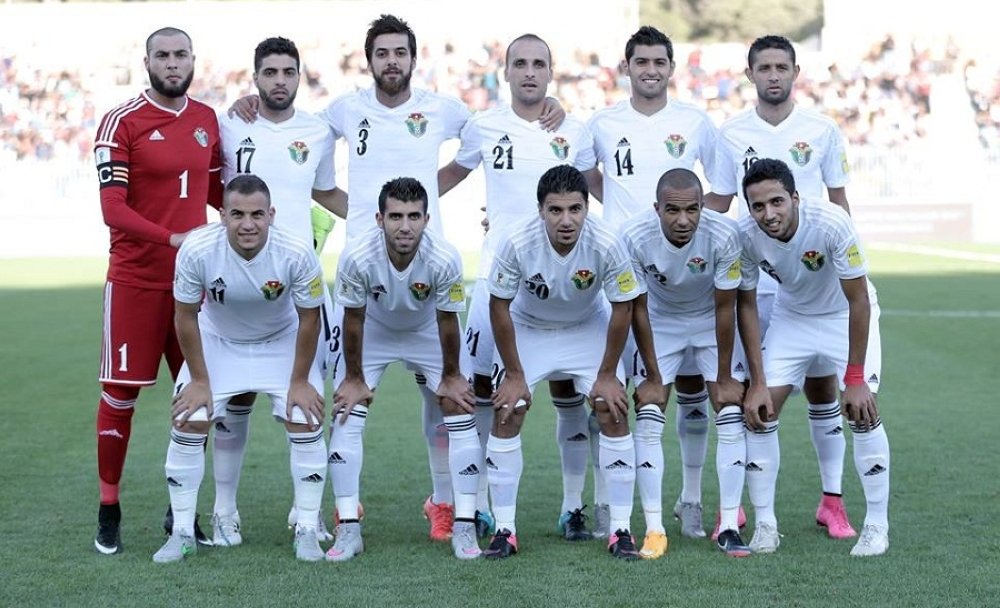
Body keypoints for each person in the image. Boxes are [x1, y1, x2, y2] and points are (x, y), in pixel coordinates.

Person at [229, 15, 564, 542]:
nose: (391, 61)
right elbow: (298, 138)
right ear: (369, 61)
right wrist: (366, 212)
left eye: (399, 52)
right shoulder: (344, 110)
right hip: (363, 280)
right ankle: (344, 510)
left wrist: (550, 106)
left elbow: (493, 134)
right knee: (348, 397)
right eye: (382, 53)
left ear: (413, 59)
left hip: (428, 277)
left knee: (445, 399)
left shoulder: (443, 109)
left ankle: (444, 503)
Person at [707, 35, 870, 539]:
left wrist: (847, 265)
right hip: (756, 282)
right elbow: (719, 202)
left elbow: (839, 201)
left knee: (823, 390)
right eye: (764, 67)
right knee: (750, 395)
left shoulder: (822, 129)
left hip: (812, 283)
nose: (773, 75)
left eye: (782, 66)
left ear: (795, 72)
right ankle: (736, 507)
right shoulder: (731, 133)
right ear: (750, 74)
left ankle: (832, 502)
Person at [437, 33, 598, 541]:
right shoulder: (484, 126)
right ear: (504, 72)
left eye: (539, 64)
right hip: (496, 281)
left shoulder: (575, 130)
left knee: (569, 390)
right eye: (520, 64)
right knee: (484, 392)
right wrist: (393, 206)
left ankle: (573, 507)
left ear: (551, 73)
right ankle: (482, 505)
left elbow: (600, 193)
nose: (530, 72)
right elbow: (446, 176)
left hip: (563, 284)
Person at [585, 25, 725, 540]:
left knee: (689, 389)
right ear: (627, 67)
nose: (650, 70)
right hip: (618, 276)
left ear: (671, 68)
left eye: (658, 62)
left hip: (679, 281)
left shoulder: (695, 122)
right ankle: (606, 500)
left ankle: (690, 499)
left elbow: (721, 190)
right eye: (641, 61)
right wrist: (628, 222)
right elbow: (584, 177)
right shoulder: (602, 123)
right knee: (610, 391)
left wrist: (685, 232)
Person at [482, 165, 657, 561]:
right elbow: (499, 306)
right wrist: (514, 374)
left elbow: (623, 307)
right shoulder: (517, 241)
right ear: (540, 210)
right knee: (508, 410)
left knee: (612, 408)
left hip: (585, 327)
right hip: (529, 328)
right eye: (556, 210)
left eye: (575, 209)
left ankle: (620, 530)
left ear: (586, 208)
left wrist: (608, 374)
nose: (566, 220)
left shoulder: (607, 242)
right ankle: (505, 530)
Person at [213, 35, 346, 547]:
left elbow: (325, 191)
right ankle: (225, 511)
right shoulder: (230, 125)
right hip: (239, 281)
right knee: (234, 397)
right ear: (255, 78)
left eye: (288, 72)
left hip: (300, 282)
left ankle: (305, 509)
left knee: (308, 399)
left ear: (299, 77)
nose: (279, 81)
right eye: (269, 72)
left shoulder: (316, 131)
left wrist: (377, 219)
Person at [92, 26, 221, 555]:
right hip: (136, 282)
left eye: (180, 54)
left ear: (193, 60)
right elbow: (112, 208)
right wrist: (172, 238)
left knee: (197, 396)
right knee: (120, 395)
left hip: (193, 287)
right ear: (147, 62)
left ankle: (181, 513)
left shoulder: (208, 119)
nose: (172, 63)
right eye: (162, 55)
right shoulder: (121, 121)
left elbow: (221, 192)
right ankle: (109, 508)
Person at [154, 174, 329, 563]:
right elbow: (185, 316)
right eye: (237, 214)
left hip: (280, 339)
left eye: (256, 215)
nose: (247, 224)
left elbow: (310, 318)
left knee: (306, 416)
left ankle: (306, 527)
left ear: (271, 215)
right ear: (222, 216)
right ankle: (184, 531)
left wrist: (300, 380)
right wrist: (200, 380)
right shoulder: (198, 250)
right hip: (219, 339)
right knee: (189, 417)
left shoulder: (297, 251)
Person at [737, 158, 890, 557]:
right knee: (760, 411)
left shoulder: (832, 223)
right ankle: (766, 525)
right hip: (793, 318)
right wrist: (756, 382)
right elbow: (746, 305)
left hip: (843, 315)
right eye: (757, 206)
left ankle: (877, 527)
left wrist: (854, 378)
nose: (768, 214)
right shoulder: (745, 236)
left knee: (862, 412)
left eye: (776, 202)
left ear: (795, 197)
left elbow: (859, 300)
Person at [325, 177, 479, 562]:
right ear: (380, 219)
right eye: (396, 216)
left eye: (413, 216)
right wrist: (354, 379)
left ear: (427, 219)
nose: (405, 226)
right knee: (347, 411)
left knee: (457, 407)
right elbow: (353, 319)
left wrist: (451, 377)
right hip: (374, 330)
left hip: (427, 329)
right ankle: (348, 526)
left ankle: (463, 523)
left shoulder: (444, 257)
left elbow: (447, 320)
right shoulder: (357, 256)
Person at [619, 168, 767, 558]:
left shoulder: (724, 234)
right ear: (657, 208)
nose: (683, 220)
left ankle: (729, 526)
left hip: (708, 319)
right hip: (659, 320)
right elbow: (637, 307)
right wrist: (653, 375)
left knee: (729, 409)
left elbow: (726, 307)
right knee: (649, 410)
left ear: (703, 206)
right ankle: (654, 529)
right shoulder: (633, 236)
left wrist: (723, 376)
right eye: (672, 210)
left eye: (692, 209)